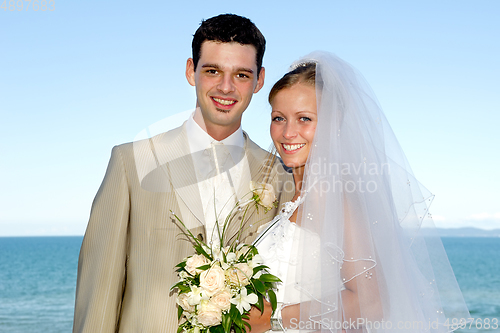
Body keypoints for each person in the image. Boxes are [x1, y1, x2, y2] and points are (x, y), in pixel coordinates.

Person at [72, 14, 293, 333]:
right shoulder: (131, 162)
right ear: (191, 71)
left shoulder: (279, 175)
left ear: (259, 80)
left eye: (242, 74)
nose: (226, 87)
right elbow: (99, 290)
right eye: (213, 70)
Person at [254, 52, 470, 332]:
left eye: (305, 119)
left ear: (334, 122)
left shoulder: (332, 196)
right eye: (279, 118)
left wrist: (273, 319)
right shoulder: (300, 197)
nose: (288, 132)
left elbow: (372, 303)